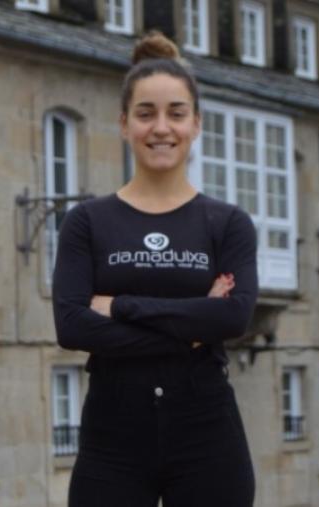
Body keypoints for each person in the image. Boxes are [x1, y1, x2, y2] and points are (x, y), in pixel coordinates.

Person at [51, 31, 259, 506]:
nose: (161, 127)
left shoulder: (227, 223)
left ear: (196, 124)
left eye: (176, 113)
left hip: (207, 437)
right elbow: (71, 325)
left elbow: (232, 318)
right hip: (113, 440)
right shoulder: (87, 221)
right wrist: (190, 328)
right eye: (146, 114)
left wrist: (120, 306)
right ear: (124, 124)